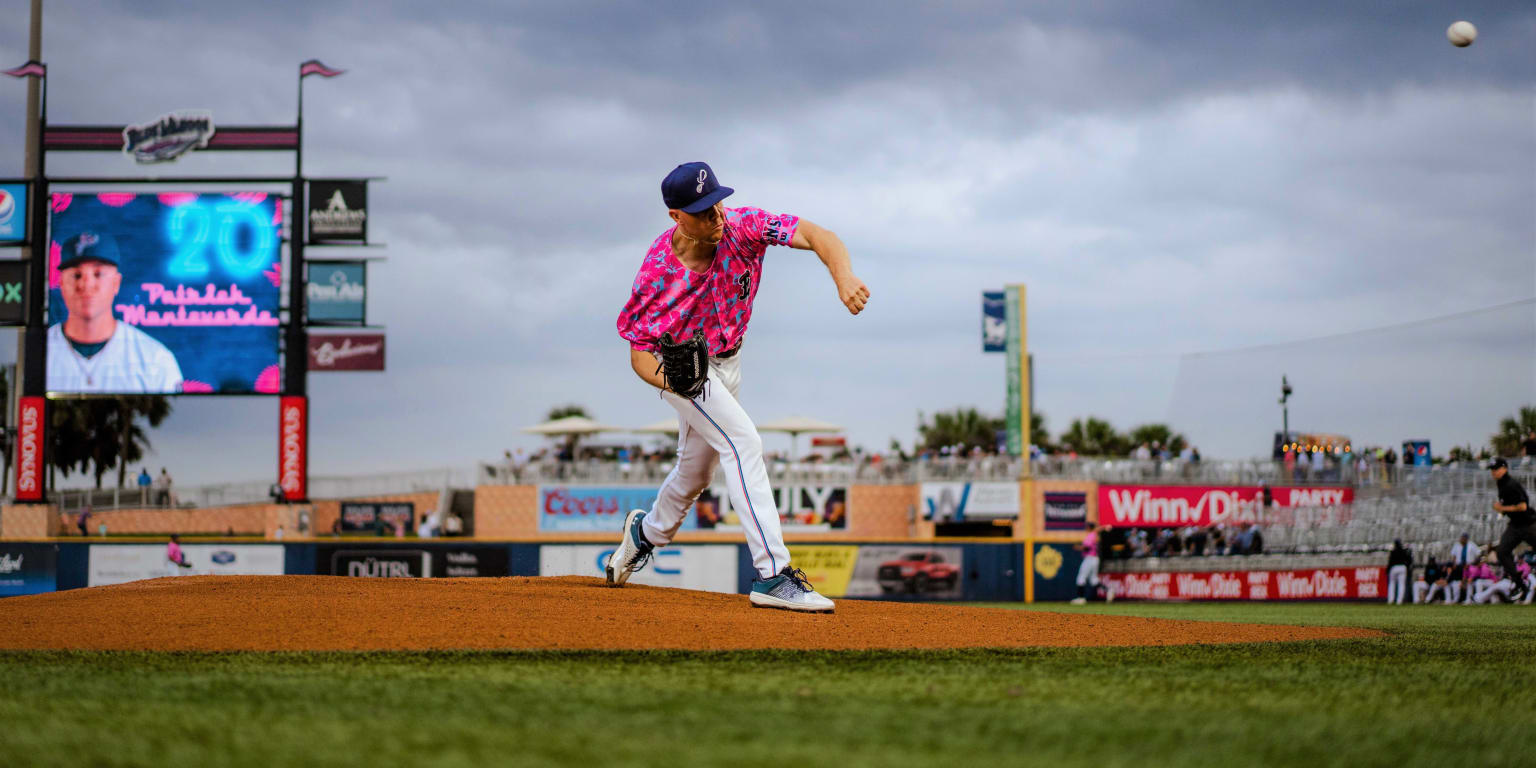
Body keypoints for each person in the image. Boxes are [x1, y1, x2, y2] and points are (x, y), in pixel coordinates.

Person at [606, 162, 868, 614]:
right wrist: (674, 383)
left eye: (717, 203)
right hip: (685, 370)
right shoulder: (657, 272)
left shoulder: (742, 226)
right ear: (676, 217)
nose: (716, 216)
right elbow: (638, 353)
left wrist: (843, 276)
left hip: (730, 360)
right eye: (703, 211)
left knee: (695, 475)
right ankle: (774, 576)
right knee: (743, 441)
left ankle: (645, 533)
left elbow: (818, 235)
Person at [46, 232, 182, 394]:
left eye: (98, 274)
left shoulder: (155, 359)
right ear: (61, 283)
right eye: (76, 275)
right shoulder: (38, 351)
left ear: (116, 283)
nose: (86, 285)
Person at [1487, 457, 1534, 601]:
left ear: (1504, 468)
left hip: (1528, 524)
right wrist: (1502, 511)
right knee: (1502, 552)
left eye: (1496, 468)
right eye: (1492, 469)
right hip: (1515, 525)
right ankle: (1520, 584)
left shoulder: (1510, 484)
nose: (1493, 472)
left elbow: (1523, 506)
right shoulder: (1501, 484)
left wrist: (1502, 508)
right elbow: (1510, 508)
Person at [1071, 521, 1111, 604]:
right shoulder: (1094, 534)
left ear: (1089, 527)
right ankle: (1108, 590)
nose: (1086, 527)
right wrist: (1105, 526)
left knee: (1081, 577)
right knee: (1093, 580)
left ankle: (1081, 598)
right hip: (1095, 559)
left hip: (1090, 558)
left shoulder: (1090, 536)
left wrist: (1078, 547)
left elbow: (1087, 548)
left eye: (1087, 526)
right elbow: (1098, 529)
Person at [1447, 532, 1480, 604]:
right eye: (1462, 538)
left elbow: (1478, 554)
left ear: (1467, 539)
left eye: (1464, 538)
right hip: (1459, 567)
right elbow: (1453, 556)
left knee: (1468, 581)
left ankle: (1468, 599)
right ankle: (1456, 599)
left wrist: (1474, 563)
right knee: (1457, 582)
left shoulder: (1472, 545)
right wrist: (1453, 565)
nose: (1463, 539)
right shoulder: (1457, 545)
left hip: (1469, 566)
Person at [1386, 539, 1412, 605]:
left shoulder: (1393, 551)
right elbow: (1409, 559)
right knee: (1401, 584)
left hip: (1394, 568)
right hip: (1402, 567)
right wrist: (1407, 567)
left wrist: (1387, 569)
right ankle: (1399, 601)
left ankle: (1390, 600)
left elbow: (1390, 561)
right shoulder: (1404, 551)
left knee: (1392, 584)